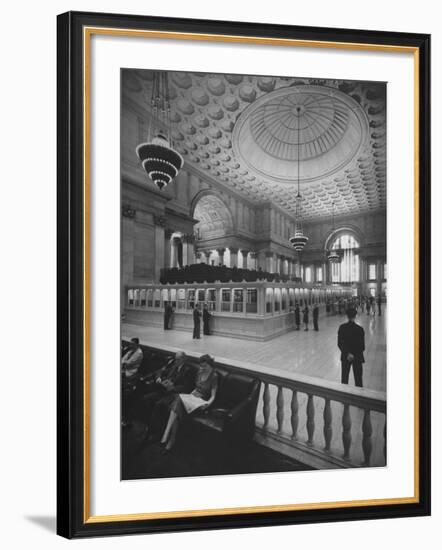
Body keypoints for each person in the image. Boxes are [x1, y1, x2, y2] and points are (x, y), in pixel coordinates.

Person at [160, 354, 218, 453]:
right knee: (178, 404)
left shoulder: (214, 376)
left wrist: (208, 403)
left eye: (205, 366)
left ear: (210, 365)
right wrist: (190, 395)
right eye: (201, 366)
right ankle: (171, 438)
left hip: (202, 401)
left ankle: (167, 434)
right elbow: (196, 388)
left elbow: (213, 395)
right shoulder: (199, 372)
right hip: (193, 397)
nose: (202, 368)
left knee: (177, 403)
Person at [141, 351, 195, 441]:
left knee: (159, 405)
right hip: (164, 390)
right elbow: (161, 372)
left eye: (178, 359)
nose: (176, 361)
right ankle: (149, 425)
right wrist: (160, 378)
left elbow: (187, 387)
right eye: (175, 359)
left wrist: (173, 387)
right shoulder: (174, 366)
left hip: (175, 394)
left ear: (184, 359)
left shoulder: (188, 370)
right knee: (146, 399)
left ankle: (154, 432)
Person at [338, 307, 365, 387]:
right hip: (357, 357)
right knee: (358, 379)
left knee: (344, 379)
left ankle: (344, 396)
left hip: (345, 357)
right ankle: (359, 397)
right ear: (355, 316)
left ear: (347, 316)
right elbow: (362, 346)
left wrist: (348, 354)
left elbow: (339, 344)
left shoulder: (342, 327)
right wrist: (354, 355)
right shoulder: (360, 329)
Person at [121, 338, 144, 426]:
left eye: (132, 344)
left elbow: (128, 363)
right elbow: (122, 360)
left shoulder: (139, 353)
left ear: (137, 345)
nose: (131, 346)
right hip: (124, 371)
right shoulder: (130, 351)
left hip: (131, 373)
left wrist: (123, 363)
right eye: (130, 344)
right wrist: (123, 363)